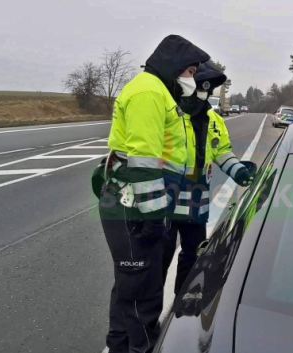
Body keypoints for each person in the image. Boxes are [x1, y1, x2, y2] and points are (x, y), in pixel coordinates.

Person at [97, 34, 209, 353]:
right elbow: (143, 157)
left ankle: (120, 345)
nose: (192, 78)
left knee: (131, 283)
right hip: (133, 198)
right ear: (173, 66)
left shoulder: (159, 90)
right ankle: (139, 348)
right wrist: (154, 213)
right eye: (189, 71)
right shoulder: (148, 91)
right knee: (141, 288)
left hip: (134, 195)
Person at [161, 61, 255, 295]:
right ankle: (148, 318)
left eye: (209, 88)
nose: (206, 92)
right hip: (165, 197)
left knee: (194, 254)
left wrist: (238, 171)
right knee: (159, 257)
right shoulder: (170, 113)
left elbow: (222, 150)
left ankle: (183, 305)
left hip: (196, 197)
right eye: (202, 86)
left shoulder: (214, 120)